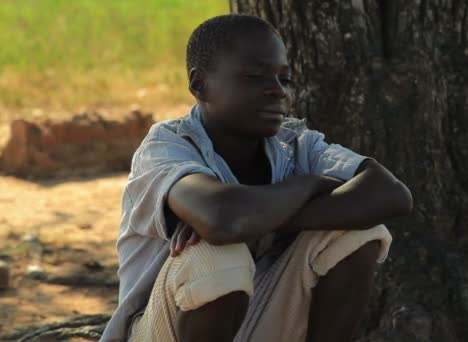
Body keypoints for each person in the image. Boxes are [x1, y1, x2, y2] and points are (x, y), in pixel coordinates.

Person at [101, 14, 412, 342]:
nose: (278, 92)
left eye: (285, 79)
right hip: (162, 330)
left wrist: (263, 217)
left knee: (355, 233)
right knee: (217, 255)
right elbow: (223, 220)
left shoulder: (293, 143)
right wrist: (307, 186)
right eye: (254, 77)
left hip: (257, 318)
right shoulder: (168, 145)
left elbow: (390, 194)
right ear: (199, 84)